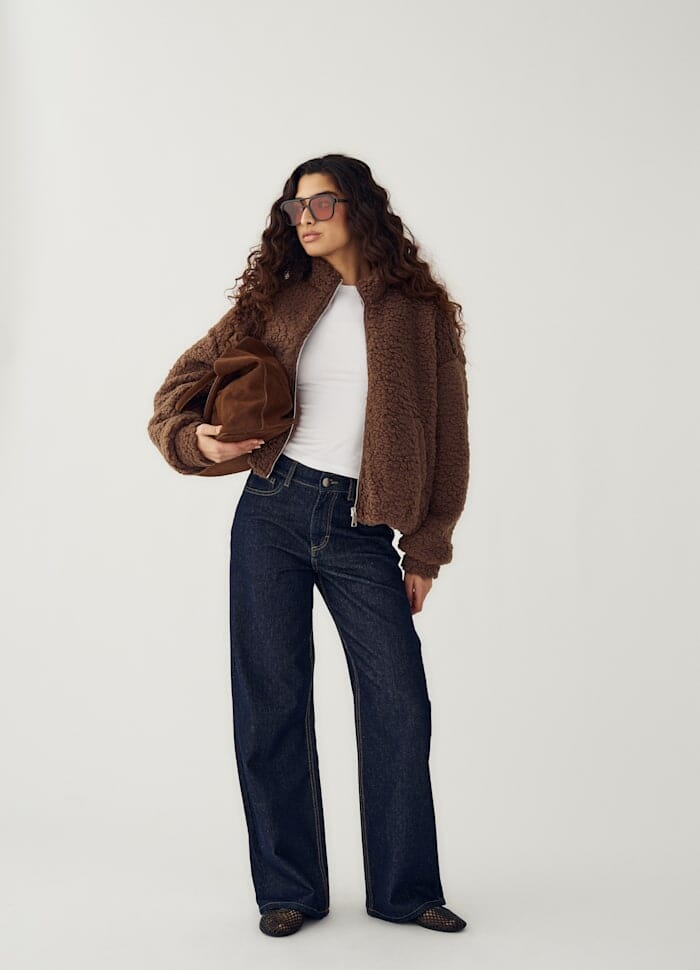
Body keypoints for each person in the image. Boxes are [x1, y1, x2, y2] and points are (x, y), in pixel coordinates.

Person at [147, 154, 470, 936]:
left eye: (322, 202)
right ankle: (289, 890)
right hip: (273, 512)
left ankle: (405, 891)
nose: (306, 218)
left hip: (364, 531)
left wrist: (426, 550)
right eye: (296, 207)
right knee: (272, 704)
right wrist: (199, 442)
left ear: (360, 207)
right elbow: (175, 393)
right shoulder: (280, 298)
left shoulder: (419, 312)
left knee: (399, 705)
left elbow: (451, 439)